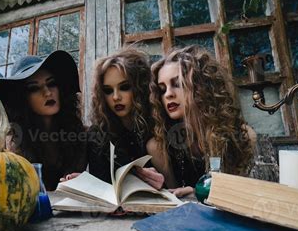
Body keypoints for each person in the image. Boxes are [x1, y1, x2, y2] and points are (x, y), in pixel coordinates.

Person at [147, 45, 256, 197]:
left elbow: (244, 195)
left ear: (201, 86)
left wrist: (196, 193)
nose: (168, 94)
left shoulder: (243, 136)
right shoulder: (159, 147)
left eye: (177, 84)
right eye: (162, 89)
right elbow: (175, 198)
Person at [0, 51, 87, 190]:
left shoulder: (79, 134)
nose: (48, 93)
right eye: (34, 88)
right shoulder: (13, 139)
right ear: (23, 98)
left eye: (51, 83)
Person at [62, 48, 163, 189]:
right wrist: (88, 183)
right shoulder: (97, 135)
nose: (116, 97)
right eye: (108, 90)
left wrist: (162, 183)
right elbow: (101, 186)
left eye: (124, 87)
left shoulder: (158, 128)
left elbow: (178, 188)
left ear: (140, 88)